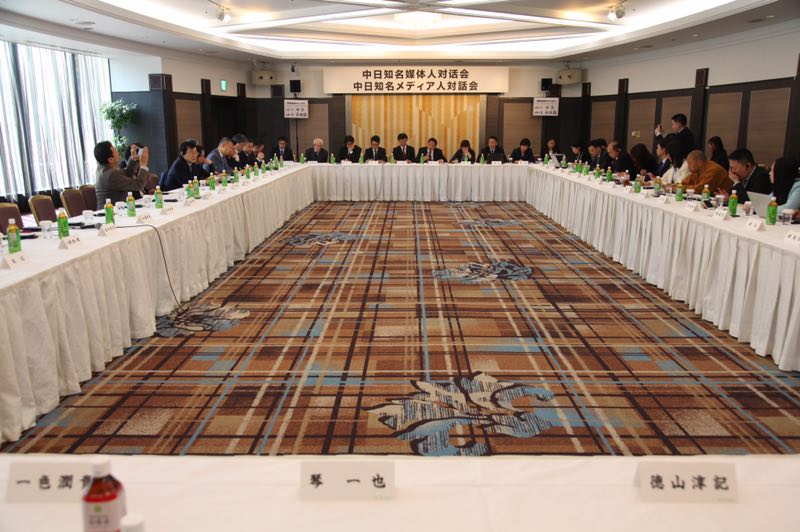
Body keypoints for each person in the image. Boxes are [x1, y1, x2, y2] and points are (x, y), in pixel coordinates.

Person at [94, 140, 157, 209]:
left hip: (114, 210)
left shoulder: (102, 169)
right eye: (116, 151)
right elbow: (138, 185)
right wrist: (144, 164)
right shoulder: (111, 174)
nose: (118, 153)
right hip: (111, 212)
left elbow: (126, 175)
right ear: (110, 159)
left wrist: (133, 159)